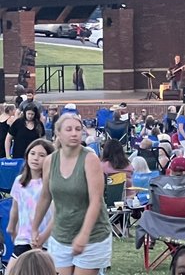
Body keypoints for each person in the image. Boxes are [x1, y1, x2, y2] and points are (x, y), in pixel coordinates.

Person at [32, 114, 112, 275]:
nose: (74, 133)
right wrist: (34, 228)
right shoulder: (50, 161)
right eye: (69, 129)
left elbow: (96, 201)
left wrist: (84, 235)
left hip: (92, 236)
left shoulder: (90, 159)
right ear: (58, 134)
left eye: (77, 129)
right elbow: (45, 196)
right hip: (61, 235)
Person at [6, 139, 55, 274]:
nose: (35, 158)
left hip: (45, 240)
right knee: (11, 271)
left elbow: (57, 215)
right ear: (27, 156)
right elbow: (15, 208)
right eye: (32, 153)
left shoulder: (51, 183)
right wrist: (11, 227)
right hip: (23, 239)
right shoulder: (19, 181)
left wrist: (43, 237)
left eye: (41, 155)